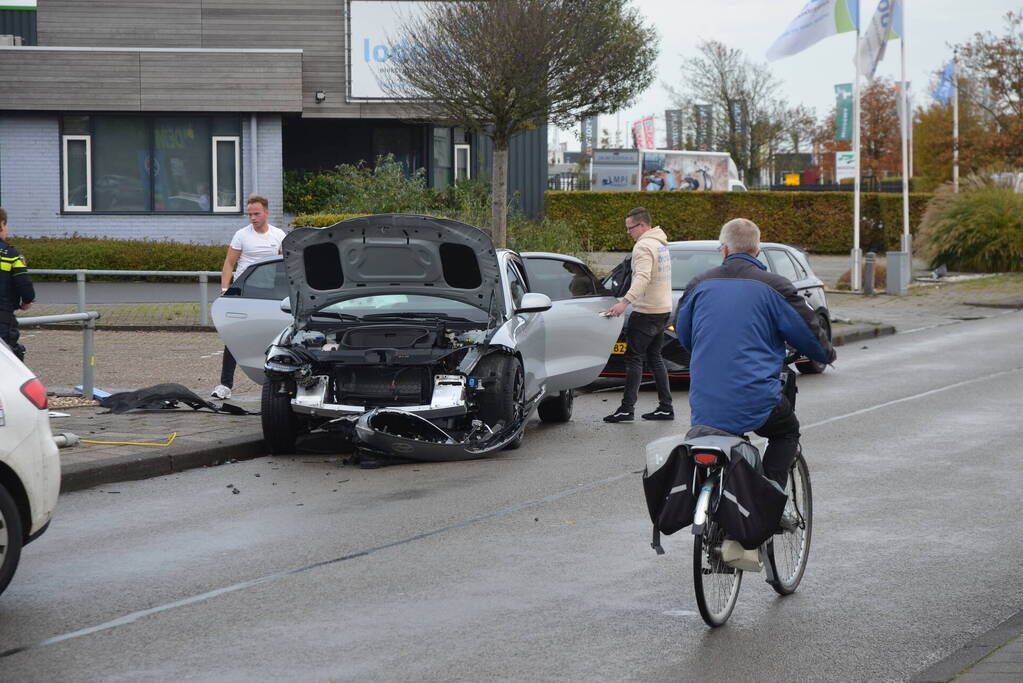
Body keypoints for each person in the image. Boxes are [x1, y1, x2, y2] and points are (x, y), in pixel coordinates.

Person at [675, 218, 835, 488]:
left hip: (705, 400)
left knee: (715, 437)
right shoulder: (775, 287)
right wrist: (827, 354)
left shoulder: (697, 286)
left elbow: (684, 334)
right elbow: (809, 334)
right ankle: (770, 498)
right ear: (757, 252)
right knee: (786, 432)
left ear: (723, 249)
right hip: (756, 399)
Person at [211, 194, 287, 400]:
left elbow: (286, 265)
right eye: (250, 214)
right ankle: (225, 385)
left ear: (266, 213)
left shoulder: (279, 235)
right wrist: (225, 288)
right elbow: (229, 264)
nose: (252, 218)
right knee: (234, 338)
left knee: (277, 336)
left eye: (256, 214)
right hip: (245, 292)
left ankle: (279, 383)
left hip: (270, 293)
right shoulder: (241, 235)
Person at [603, 207, 674, 422]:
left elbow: (642, 277)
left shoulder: (643, 246)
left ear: (642, 226)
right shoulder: (661, 244)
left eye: (630, 228)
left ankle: (626, 409)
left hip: (645, 312)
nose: (629, 232)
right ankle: (666, 407)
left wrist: (624, 303)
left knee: (634, 358)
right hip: (662, 309)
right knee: (655, 358)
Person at [0, 208, 35, 361]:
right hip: (2, 315)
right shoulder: (12, 255)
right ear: (1, 224)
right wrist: (27, 301)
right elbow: (24, 283)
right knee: (8, 360)